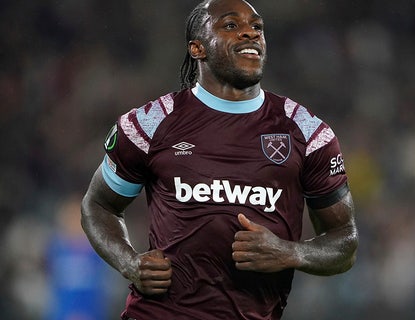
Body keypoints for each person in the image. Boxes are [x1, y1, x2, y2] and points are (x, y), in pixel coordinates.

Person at [80, 0, 358, 319]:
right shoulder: (149, 124)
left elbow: (344, 243)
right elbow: (98, 206)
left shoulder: (306, 132)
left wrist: (290, 252)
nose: (249, 34)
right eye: (231, 26)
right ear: (198, 49)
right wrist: (130, 263)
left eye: (257, 27)